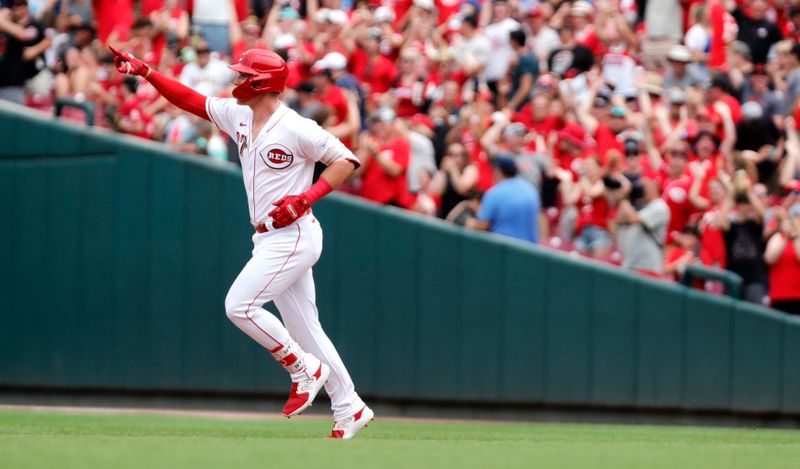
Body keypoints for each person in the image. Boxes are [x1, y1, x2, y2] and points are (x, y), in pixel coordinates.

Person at [109, 45, 373, 439]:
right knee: (306, 330)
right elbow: (192, 100)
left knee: (240, 306)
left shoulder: (297, 126)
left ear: (263, 83)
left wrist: (306, 199)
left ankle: (303, 369)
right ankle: (349, 405)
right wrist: (147, 72)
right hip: (267, 237)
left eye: (244, 75)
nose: (236, 81)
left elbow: (346, 161)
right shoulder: (241, 117)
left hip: (294, 234)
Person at [466, 156, 540, 243]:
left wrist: (469, 222)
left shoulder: (494, 193)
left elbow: (482, 225)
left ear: (498, 171)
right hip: (530, 250)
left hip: (506, 251)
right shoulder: (531, 189)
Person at [615, 177, 671, 276]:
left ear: (654, 187)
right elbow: (619, 219)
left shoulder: (660, 206)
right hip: (630, 265)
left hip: (647, 266)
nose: (641, 188)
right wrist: (628, 197)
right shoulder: (638, 204)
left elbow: (634, 219)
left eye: (644, 185)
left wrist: (624, 198)